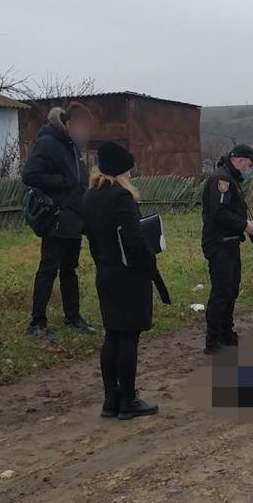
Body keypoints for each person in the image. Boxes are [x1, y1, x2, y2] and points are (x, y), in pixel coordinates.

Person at [82, 142, 160, 419]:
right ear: (119, 171)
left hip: (106, 273)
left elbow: (91, 238)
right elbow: (134, 238)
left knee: (112, 335)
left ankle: (110, 399)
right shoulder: (121, 197)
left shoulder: (90, 196)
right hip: (129, 276)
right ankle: (128, 400)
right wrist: (149, 263)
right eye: (127, 171)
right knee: (128, 337)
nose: (130, 175)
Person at [22, 102, 97, 338]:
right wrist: (64, 182)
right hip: (55, 217)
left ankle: (73, 317)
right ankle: (37, 323)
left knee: (69, 270)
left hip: (74, 218)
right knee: (48, 270)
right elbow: (30, 175)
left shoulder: (72, 147)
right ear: (68, 123)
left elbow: (79, 181)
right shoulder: (48, 142)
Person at [201, 144, 253, 354]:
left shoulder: (230, 178)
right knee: (222, 291)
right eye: (249, 165)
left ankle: (226, 333)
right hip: (219, 243)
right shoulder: (222, 180)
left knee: (231, 290)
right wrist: (244, 224)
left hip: (230, 242)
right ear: (240, 160)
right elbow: (219, 213)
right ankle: (214, 339)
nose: (249, 169)